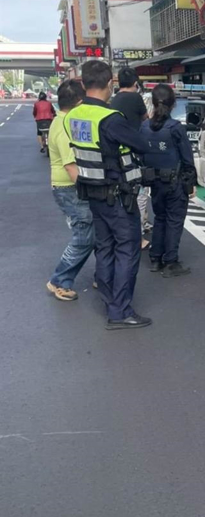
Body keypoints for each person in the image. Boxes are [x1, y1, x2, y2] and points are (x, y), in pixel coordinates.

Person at [63, 59, 154, 330]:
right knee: (127, 248)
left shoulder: (73, 116)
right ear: (110, 83)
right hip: (117, 195)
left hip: (92, 193)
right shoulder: (110, 119)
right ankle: (120, 311)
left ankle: (109, 301)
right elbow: (141, 144)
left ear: (82, 83)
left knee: (104, 248)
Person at [141, 84, 197, 277]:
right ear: (173, 104)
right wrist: (190, 185)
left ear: (153, 102)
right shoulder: (175, 128)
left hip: (154, 182)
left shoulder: (145, 127)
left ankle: (156, 258)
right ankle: (170, 262)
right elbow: (187, 159)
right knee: (174, 220)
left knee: (160, 218)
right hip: (174, 182)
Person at [46, 79, 95, 301]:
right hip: (70, 187)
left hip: (65, 186)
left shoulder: (61, 120)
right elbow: (70, 165)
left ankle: (101, 275)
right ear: (78, 101)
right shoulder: (67, 126)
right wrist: (89, 190)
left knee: (90, 233)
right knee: (84, 236)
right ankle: (59, 280)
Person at [111, 67, 152, 249]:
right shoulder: (135, 98)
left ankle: (125, 233)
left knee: (124, 194)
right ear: (136, 83)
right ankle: (139, 236)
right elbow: (145, 119)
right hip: (134, 152)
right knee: (140, 193)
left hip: (116, 152)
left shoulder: (114, 100)